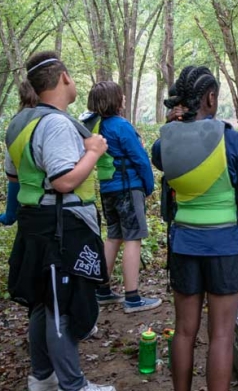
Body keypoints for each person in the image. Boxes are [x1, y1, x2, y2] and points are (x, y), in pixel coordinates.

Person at [4, 51, 115, 391]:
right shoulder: (55, 123)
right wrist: (94, 152)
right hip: (60, 226)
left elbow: (13, 176)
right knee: (61, 304)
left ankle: (42, 376)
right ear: (64, 77)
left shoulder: (20, 122)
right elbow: (64, 180)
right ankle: (74, 384)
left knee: (42, 299)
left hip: (35, 222)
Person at [152, 66, 238, 391]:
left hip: (184, 244)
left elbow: (161, 159)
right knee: (222, 335)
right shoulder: (232, 140)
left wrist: (174, 125)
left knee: (184, 330)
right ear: (211, 98)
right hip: (225, 247)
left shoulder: (163, 144)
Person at [81, 81, 160, 314]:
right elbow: (140, 158)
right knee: (133, 239)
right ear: (114, 100)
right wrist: (148, 186)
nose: (124, 97)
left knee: (113, 236)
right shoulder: (120, 126)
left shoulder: (95, 127)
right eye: (120, 95)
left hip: (107, 190)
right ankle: (132, 297)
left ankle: (102, 290)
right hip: (128, 188)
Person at [0, 82, 39, 226]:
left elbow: (12, 176)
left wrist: (9, 215)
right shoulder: (58, 121)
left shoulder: (16, 125)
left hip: (29, 207)